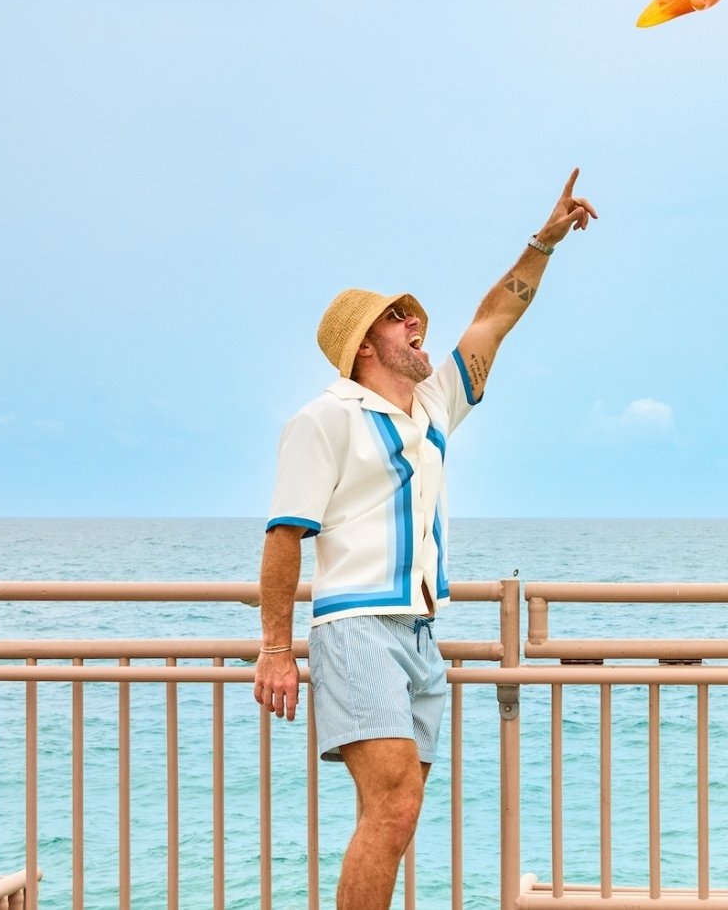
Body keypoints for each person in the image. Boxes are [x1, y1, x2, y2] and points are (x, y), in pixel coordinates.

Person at [253, 170, 597, 910]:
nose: (418, 324)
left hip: (417, 633)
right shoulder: (327, 417)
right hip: (354, 628)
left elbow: (493, 319)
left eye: (414, 315)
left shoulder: (432, 407)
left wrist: (544, 242)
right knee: (396, 804)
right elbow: (285, 534)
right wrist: (275, 647)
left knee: (394, 813)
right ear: (363, 346)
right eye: (398, 319)